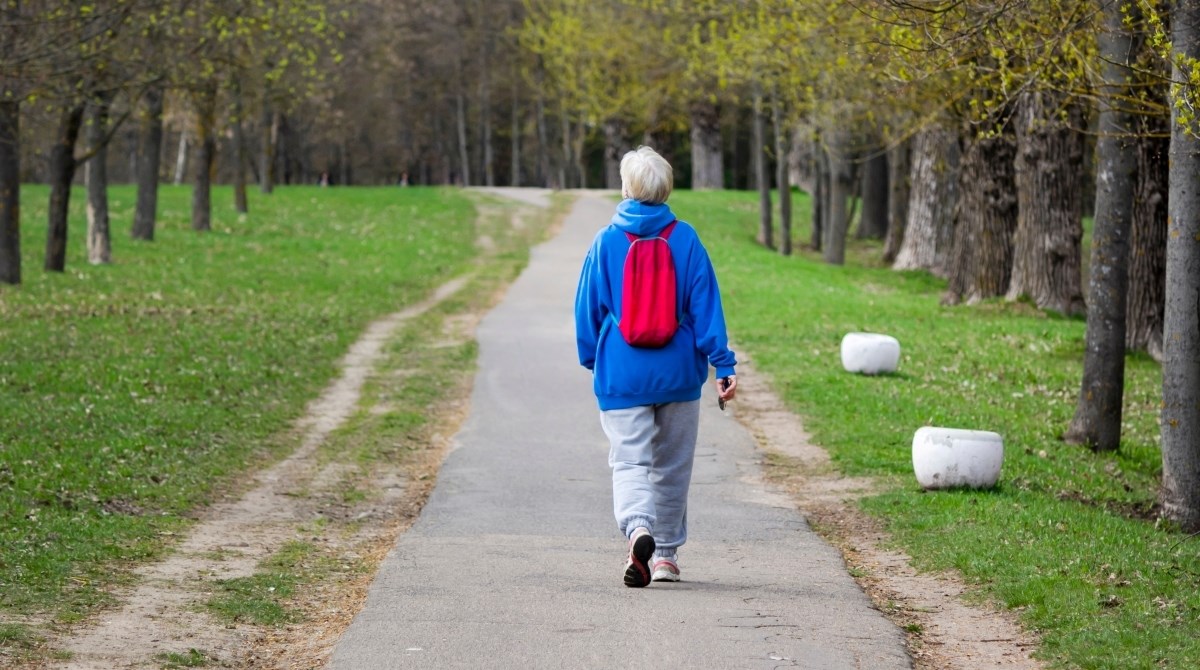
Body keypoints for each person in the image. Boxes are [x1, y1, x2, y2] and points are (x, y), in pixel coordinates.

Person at [574, 146, 738, 588]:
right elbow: (707, 308)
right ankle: (664, 555)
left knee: (629, 462)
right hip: (679, 374)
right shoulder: (685, 239)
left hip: (622, 374)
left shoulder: (605, 240)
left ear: (626, 188)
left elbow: (588, 308)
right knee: (672, 465)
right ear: (666, 188)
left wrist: (594, 359)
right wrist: (723, 364)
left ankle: (638, 528)